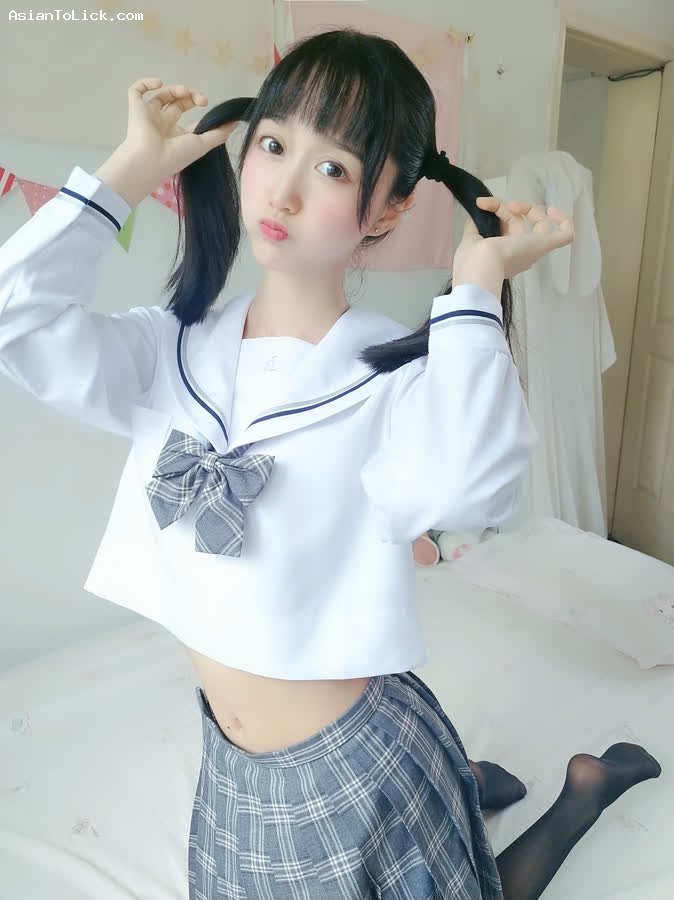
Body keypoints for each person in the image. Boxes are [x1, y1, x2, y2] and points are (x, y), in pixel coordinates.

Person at [0, 27, 661, 900]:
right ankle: (467, 784)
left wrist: (476, 285)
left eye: (334, 169)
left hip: (354, 760)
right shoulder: (172, 351)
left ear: (385, 211)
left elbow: (472, 485)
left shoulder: (390, 382)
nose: (284, 188)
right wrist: (127, 170)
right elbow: (18, 321)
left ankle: (582, 793)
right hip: (233, 766)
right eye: (273, 145)